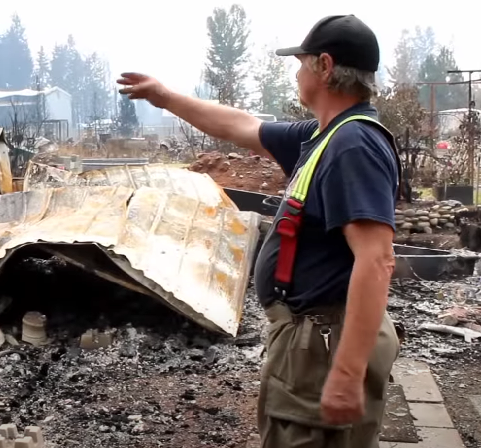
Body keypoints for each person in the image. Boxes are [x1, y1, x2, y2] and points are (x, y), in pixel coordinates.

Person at [118, 14, 400, 448]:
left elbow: (376, 260)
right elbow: (239, 125)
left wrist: (346, 372)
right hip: (312, 338)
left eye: (301, 62)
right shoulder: (325, 135)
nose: (296, 72)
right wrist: (165, 97)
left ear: (324, 67)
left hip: (324, 340)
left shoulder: (353, 145)